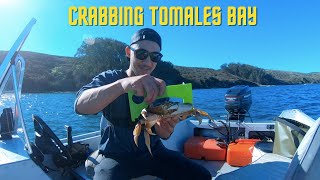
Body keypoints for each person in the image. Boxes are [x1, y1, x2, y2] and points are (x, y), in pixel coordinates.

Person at [75, 28, 211, 180]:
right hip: (116, 156)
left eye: (155, 56)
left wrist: (166, 128)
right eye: (141, 54)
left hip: (154, 153)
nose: (147, 62)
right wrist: (122, 85)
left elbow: (164, 135)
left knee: (202, 176)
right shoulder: (110, 78)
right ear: (128, 52)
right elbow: (80, 106)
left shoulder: (159, 87)